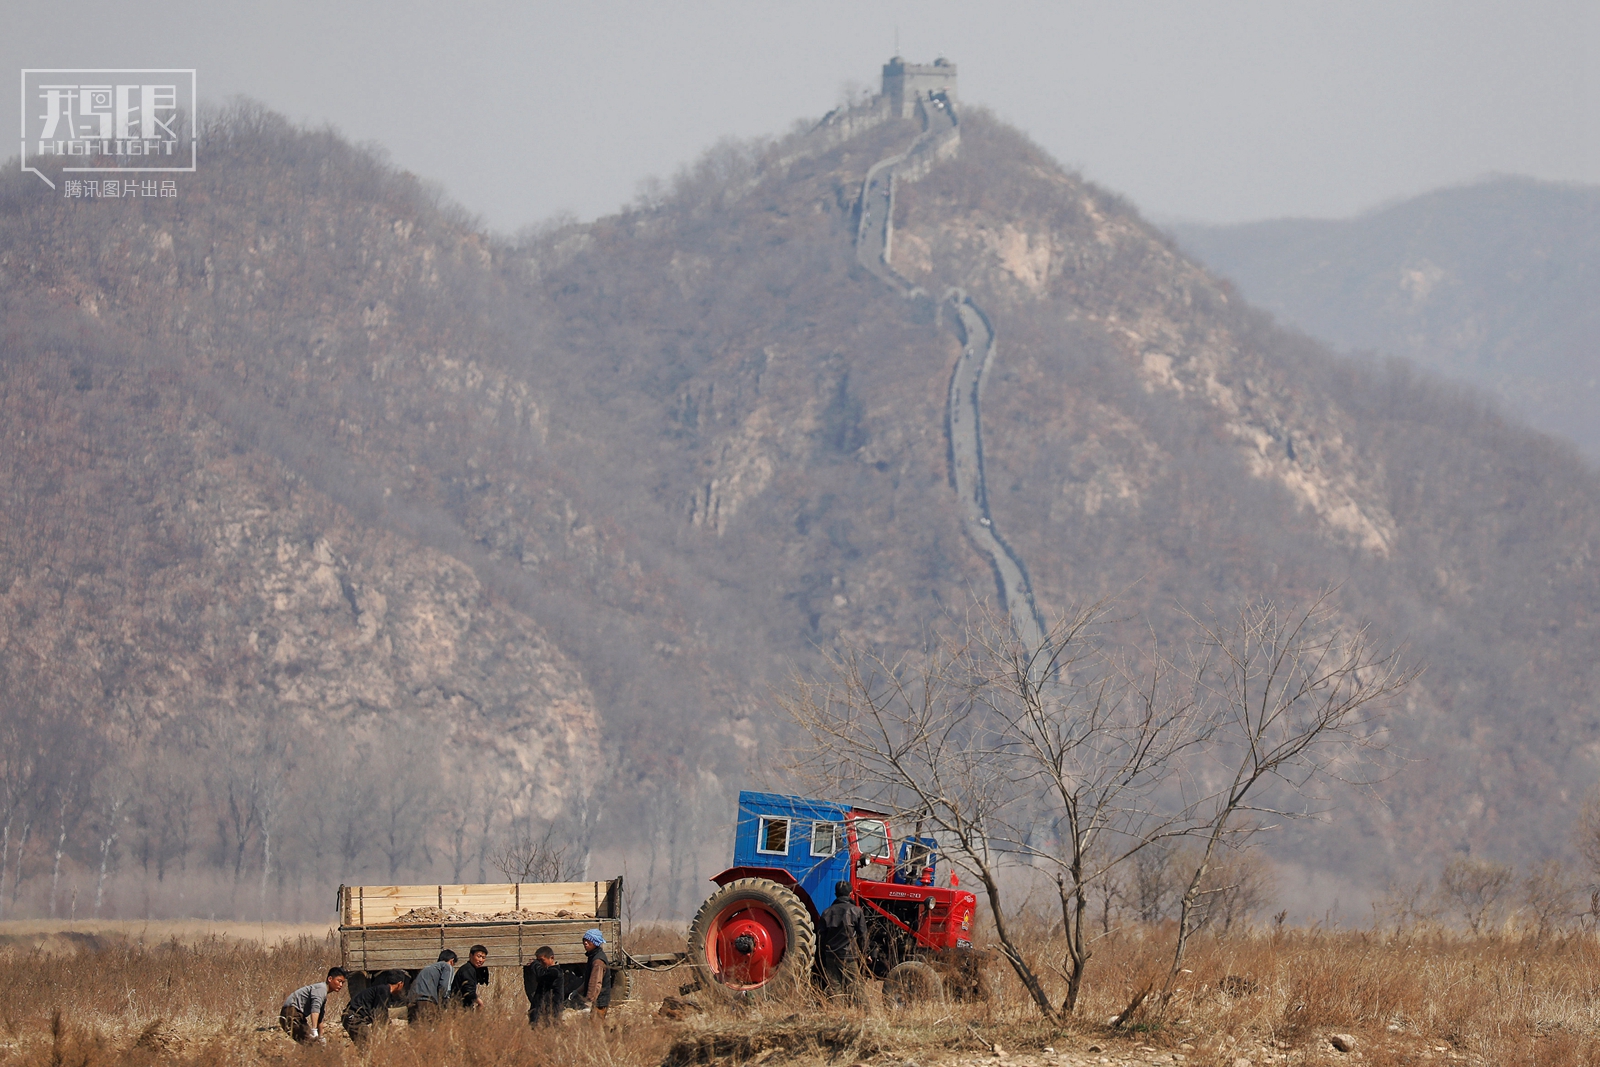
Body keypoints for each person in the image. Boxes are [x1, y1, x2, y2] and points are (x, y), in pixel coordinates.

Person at [819, 880, 870, 1001]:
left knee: (834, 988)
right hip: (849, 956)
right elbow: (863, 935)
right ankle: (865, 1013)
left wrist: (824, 954)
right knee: (856, 987)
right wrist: (865, 953)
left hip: (830, 956)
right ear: (851, 893)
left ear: (835, 894)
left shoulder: (827, 912)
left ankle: (837, 1013)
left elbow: (821, 936)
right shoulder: (856, 911)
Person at [279, 967, 347, 1043]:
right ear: (330, 979)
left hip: (297, 1015)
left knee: (313, 1043)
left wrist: (321, 1036)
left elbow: (320, 1017)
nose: (341, 985)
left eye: (343, 983)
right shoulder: (321, 989)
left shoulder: (323, 994)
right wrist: (314, 1030)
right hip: (290, 1013)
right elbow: (315, 1009)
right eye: (339, 981)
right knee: (312, 1042)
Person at [341, 970, 406, 1045]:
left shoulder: (382, 990)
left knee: (366, 1046)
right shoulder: (383, 990)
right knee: (369, 1045)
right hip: (352, 1018)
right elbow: (379, 1015)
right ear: (400, 984)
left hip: (353, 1018)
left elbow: (382, 1013)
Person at [407, 949, 457, 1024]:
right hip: (426, 1001)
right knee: (431, 1029)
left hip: (412, 1001)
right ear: (452, 961)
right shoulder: (447, 966)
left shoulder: (427, 968)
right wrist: (445, 1002)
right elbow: (444, 987)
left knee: (415, 1029)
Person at [523, 945, 566, 1026]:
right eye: (538, 961)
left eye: (542, 960)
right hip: (542, 1010)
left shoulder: (555, 972)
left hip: (551, 1011)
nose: (540, 963)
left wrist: (535, 964)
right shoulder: (547, 971)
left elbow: (541, 975)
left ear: (551, 958)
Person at [580, 928, 614, 1019]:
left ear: (595, 942)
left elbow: (595, 983)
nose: (585, 943)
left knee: (596, 1028)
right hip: (597, 1000)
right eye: (584, 940)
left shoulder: (598, 961)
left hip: (599, 1002)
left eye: (589, 940)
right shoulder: (593, 956)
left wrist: (588, 1002)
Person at [449, 944, 490, 1009]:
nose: (481, 960)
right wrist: (480, 1002)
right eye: (478, 956)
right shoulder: (468, 970)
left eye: (483, 957)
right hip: (459, 1008)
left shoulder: (471, 969)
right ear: (470, 955)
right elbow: (468, 991)